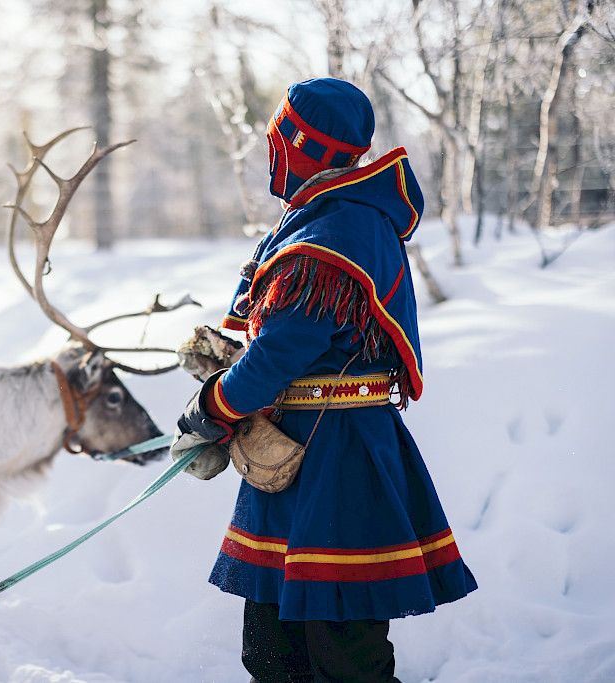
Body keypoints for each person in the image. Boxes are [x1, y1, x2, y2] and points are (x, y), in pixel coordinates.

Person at [172, 78, 477, 683]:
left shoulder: (337, 233)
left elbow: (286, 349)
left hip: (339, 461)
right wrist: (233, 360)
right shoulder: (328, 218)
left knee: (344, 659)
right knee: (272, 654)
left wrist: (214, 403)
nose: (271, 153)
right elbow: (295, 343)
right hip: (300, 453)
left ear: (299, 145)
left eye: (278, 139)